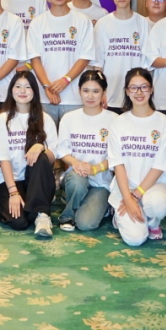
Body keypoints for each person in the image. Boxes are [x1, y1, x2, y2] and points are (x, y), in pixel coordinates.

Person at [107, 67, 166, 246]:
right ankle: (120, 216)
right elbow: (118, 164)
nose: (139, 92)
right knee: (135, 240)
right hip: (125, 187)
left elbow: (161, 165)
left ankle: (153, 222)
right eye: (133, 88)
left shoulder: (165, 123)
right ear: (127, 91)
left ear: (151, 89)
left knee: (158, 204)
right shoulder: (118, 123)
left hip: (155, 185)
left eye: (144, 87)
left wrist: (135, 196)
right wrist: (127, 198)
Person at [0, 70, 59, 237]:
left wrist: (40, 147)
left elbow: (53, 158)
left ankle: (42, 214)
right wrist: (13, 193)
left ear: (35, 91)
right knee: (19, 222)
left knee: (41, 156)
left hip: (35, 179)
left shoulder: (45, 119)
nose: (22, 91)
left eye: (28, 87)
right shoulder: (2, 120)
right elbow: (3, 159)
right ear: (11, 90)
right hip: (11, 180)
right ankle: (37, 206)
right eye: (18, 86)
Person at [27, 0, 95, 124]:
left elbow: (85, 57)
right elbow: (35, 59)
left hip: (75, 97)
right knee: (45, 139)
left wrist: (66, 80)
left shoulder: (83, 21)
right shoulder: (37, 23)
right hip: (45, 98)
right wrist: (46, 86)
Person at [56, 70, 114, 232]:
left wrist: (95, 169)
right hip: (76, 176)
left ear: (104, 92)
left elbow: (117, 157)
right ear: (79, 91)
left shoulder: (114, 119)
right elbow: (62, 151)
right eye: (86, 90)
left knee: (85, 224)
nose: (90, 96)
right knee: (77, 180)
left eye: (96, 91)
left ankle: (94, 203)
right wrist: (76, 164)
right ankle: (68, 214)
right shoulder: (69, 118)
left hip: (101, 182)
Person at [93, 0, 146, 112]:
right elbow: (98, 65)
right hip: (109, 96)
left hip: (136, 95)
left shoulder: (143, 23)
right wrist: (101, 92)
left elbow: (147, 63)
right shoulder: (102, 24)